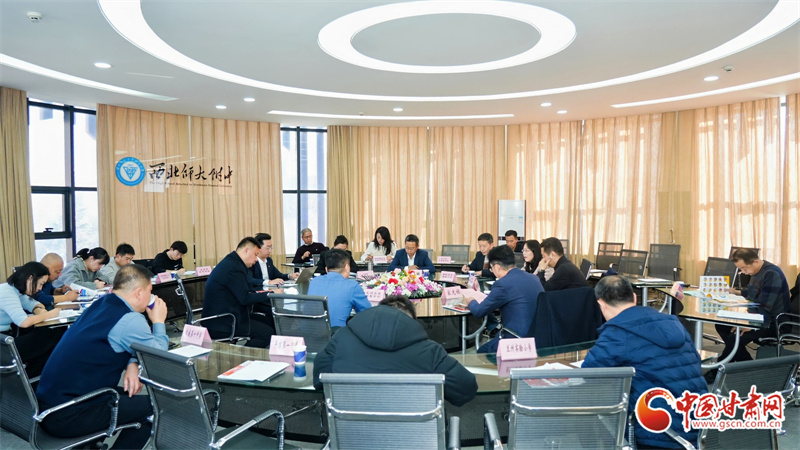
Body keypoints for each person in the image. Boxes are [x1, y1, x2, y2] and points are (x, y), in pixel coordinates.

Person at [36, 264, 169, 450]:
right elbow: (159, 360)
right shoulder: (131, 320)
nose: (151, 297)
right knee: (160, 407)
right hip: (71, 414)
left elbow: (121, 341)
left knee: (131, 395)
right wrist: (159, 321)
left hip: (48, 407)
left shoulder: (100, 304)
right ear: (139, 293)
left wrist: (132, 362)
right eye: (150, 291)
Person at [583, 276, 706, 448]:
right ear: (634, 298)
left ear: (601, 304)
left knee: (597, 406)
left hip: (660, 434)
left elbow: (588, 373)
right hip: (702, 424)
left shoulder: (617, 332)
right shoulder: (673, 322)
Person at [313, 295, 477, 407]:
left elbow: (319, 379)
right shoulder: (430, 351)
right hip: (415, 439)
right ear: (411, 322)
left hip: (351, 438)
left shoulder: (341, 338)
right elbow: (466, 388)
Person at [714, 248, 791, 362]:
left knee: (735, 338)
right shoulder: (756, 271)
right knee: (721, 325)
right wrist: (738, 292)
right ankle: (748, 364)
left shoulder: (771, 274)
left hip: (774, 322)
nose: (743, 272)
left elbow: (764, 305)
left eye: (744, 268)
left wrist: (752, 325)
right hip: (760, 316)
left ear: (755, 262)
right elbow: (755, 293)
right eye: (740, 269)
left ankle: (719, 368)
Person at [465, 246, 544, 353]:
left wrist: (471, 301)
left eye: (491, 268)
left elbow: (479, 311)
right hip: (538, 337)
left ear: (497, 267)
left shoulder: (502, 284)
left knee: (481, 352)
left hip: (516, 339)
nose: (492, 271)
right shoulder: (533, 278)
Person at [202, 237, 276, 348]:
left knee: (270, 321)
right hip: (223, 321)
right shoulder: (234, 268)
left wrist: (266, 292)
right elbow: (245, 298)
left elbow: (244, 291)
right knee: (267, 334)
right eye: (255, 255)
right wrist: (270, 293)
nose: (256, 259)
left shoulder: (233, 262)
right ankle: (241, 355)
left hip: (230, 314)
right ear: (246, 250)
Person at [0, 262, 63, 377]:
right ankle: (31, 379)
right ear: (30, 279)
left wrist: (38, 309)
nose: (40, 288)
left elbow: (34, 304)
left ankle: (32, 378)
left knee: (50, 337)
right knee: (52, 334)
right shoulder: (7, 292)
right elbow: (24, 322)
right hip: (3, 345)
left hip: (6, 339)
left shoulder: (15, 290)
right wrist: (50, 314)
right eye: (41, 284)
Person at [308, 249, 371, 328]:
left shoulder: (314, 282)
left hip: (309, 332)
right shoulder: (352, 286)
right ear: (347, 267)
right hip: (337, 333)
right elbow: (368, 313)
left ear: (326, 269)